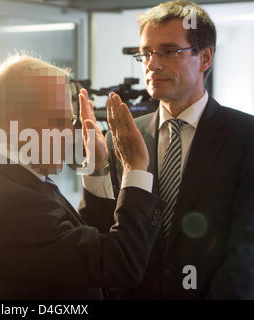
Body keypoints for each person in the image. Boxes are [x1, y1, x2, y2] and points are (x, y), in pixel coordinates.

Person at [0, 54, 166, 300]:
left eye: (70, 121)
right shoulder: (10, 200)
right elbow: (121, 264)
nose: (71, 134)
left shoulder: (13, 178)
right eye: (60, 121)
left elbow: (81, 249)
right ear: (13, 121)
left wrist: (97, 168)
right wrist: (135, 169)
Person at [105, 1, 254, 299]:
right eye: (146, 53)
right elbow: (113, 235)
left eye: (169, 51)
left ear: (205, 57)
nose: (152, 64)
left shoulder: (246, 137)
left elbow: (247, 251)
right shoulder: (121, 137)